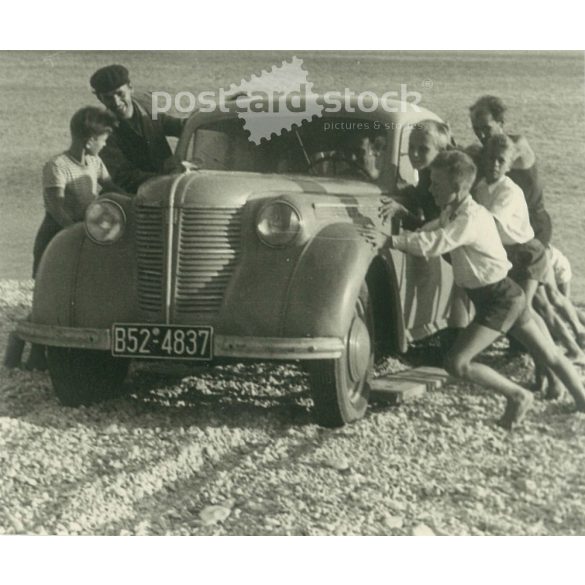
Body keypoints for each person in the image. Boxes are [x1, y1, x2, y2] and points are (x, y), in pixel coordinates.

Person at [378, 150, 585, 429]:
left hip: (499, 299)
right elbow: (432, 229)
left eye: (435, 183)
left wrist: (392, 241)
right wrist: (403, 217)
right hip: (508, 294)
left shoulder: (470, 219)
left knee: (458, 362)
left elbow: (434, 244)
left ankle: (518, 395)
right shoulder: (454, 211)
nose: (429, 188)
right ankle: (580, 398)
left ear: (457, 188)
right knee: (548, 353)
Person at [474, 134, 585, 394]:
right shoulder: (481, 188)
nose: (494, 164)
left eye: (501, 160)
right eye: (489, 158)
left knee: (529, 314)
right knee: (530, 315)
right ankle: (549, 374)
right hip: (508, 256)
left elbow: (489, 223)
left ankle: (554, 375)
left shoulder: (509, 191)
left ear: (510, 164)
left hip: (527, 255)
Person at [24, 106, 126, 371]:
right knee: (47, 293)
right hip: (56, 235)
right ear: (89, 139)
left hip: (83, 233)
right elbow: (55, 205)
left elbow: (113, 189)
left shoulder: (94, 163)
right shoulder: (57, 166)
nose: (104, 144)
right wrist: (76, 231)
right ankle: (36, 352)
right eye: (103, 139)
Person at [468, 95, 552, 247]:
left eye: (487, 128)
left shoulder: (518, 144)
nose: (481, 135)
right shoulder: (485, 153)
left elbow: (505, 153)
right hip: (507, 221)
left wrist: (465, 154)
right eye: (476, 129)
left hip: (534, 223)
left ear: (501, 123)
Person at [90, 64, 185, 194]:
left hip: (170, 187)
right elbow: (124, 177)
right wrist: (168, 175)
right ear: (99, 98)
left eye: (120, 93)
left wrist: (205, 120)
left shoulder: (146, 103)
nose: (116, 102)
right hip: (133, 197)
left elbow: (169, 124)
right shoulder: (102, 132)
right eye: (108, 97)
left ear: (131, 88)